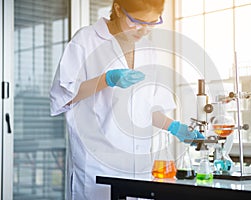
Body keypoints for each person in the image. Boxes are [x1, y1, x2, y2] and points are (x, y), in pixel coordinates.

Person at [50, 0, 204, 199]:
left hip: (139, 166)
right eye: (137, 21)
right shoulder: (86, 40)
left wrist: (176, 127)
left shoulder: (148, 50)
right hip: (98, 164)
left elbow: (149, 110)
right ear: (117, 9)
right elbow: (64, 97)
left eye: (151, 23)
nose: (143, 30)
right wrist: (106, 79)